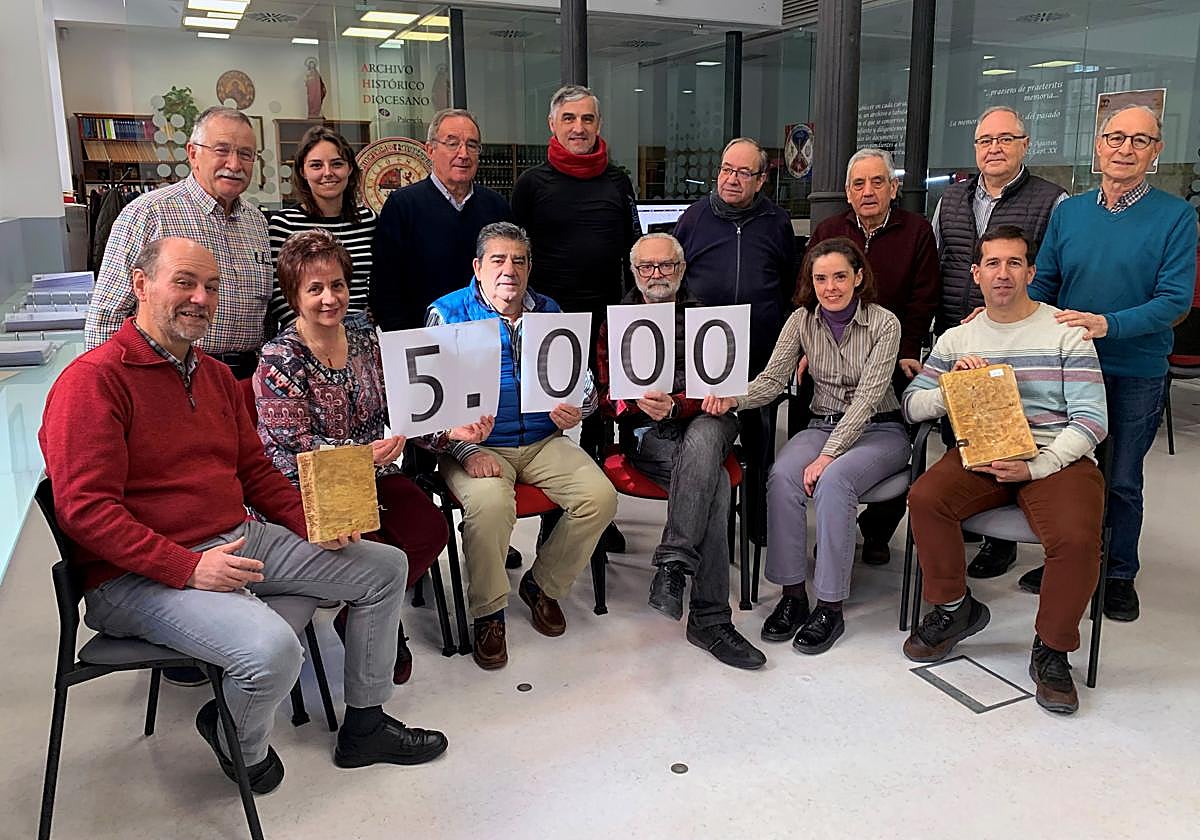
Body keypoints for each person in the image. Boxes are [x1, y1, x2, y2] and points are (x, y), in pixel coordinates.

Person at [40, 237, 448, 795]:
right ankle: (238, 736)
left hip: (234, 537)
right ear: (140, 286)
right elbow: (86, 513)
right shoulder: (93, 383)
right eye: (184, 282)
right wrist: (186, 567)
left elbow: (256, 475)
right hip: (134, 575)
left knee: (382, 567)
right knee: (273, 650)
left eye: (211, 286)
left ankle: (366, 726)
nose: (200, 298)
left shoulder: (211, 376)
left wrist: (312, 525)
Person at [254, 230, 487, 684]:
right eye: (315, 288)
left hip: (374, 473)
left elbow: (405, 409)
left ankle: (360, 612)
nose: (329, 298)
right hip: (312, 486)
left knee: (429, 532)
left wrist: (451, 431)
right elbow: (289, 447)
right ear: (293, 295)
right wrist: (357, 455)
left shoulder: (365, 343)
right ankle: (380, 622)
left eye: (337, 285)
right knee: (375, 552)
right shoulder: (279, 357)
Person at [901, 225, 1108, 715]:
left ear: (1030, 272)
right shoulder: (958, 337)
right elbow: (912, 405)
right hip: (982, 452)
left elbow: (1093, 420)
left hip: (1055, 454)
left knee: (1077, 539)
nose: (1003, 274)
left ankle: (1052, 650)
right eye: (992, 264)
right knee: (926, 499)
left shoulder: (1065, 332)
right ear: (975, 274)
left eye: (1014, 263)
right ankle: (955, 609)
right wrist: (955, 386)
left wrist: (1038, 466)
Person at [1024, 104, 1197, 621]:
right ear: (1098, 146)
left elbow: (1175, 301)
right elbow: (1045, 285)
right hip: (1070, 368)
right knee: (1070, 471)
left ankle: (1119, 572)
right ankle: (1073, 562)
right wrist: (999, 311)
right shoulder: (1070, 212)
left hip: (1135, 369)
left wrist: (1107, 324)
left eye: (1140, 141)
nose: (1125, 149)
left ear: (1156, 152)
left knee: (1121, 477)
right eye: (1115, 137)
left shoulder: (1176, 216)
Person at [704, 238, 910, 655]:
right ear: (810, 282)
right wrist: (733, 398)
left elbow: (869, 398)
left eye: (839, 276)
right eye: (820, 278)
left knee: (834, 481)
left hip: (879, 429)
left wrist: (828, 455)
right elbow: (772, 379)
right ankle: (793, 595)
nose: (830, 287)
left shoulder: (885, 323)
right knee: (782, 475)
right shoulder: (801, 321)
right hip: (822, 423)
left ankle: (830, 606)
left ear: (858, 277)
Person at [427, 222, 618, 671]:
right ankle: (489, 613)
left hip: (541, 439)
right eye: (497, 259)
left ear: (530, 267)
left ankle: (543, 586)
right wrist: (463, 449)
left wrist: (581, 408)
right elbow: (428, 409)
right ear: (477, 267)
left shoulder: (550, 311)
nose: (508, 269)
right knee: (491, 506)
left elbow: (584, 387)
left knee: (599, 497)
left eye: (518, 260)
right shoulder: (446, 314)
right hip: (477, 447)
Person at [596, 233, 765, 670]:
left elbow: (726, 385)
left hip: (707, 420)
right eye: (647, 267)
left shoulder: (710, 318)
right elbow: (604, 393)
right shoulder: (614, 325)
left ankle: (673, 566)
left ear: (682, 269)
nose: (657, 275)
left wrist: (679, 404)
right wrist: (632, 405)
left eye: (666, 266)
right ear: (634, 273)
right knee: (713, 486)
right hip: (650, 437)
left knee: (707, 435)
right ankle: (709, 619)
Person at [930, 105, 1068, 579]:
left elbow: (1049, 272)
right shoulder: (950, 199)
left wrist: (1005, 311)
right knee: (963, 438)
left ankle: (1000, 543)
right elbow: (940, 262)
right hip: (961, 337)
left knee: (1013, 435)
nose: (994, 148)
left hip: (1019, 338)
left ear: (1024, 145)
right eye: (986, 140)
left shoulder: (1053, 200)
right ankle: (969, 515)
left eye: (1005, 139)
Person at [807, 147, 940, 565]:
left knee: (895, 432)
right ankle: (833, 523)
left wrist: (906, 349)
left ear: (893, 188)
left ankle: (878, 530)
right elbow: (808, 286)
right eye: (859, 184)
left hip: (893, 351)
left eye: (877, 181)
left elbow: (925, 296)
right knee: (818, 424)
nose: (868, 191)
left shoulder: (916, 231)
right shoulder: (830, 228)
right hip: (834, 346)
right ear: (847, 192)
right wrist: (809, 344)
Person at [512, 84, 642, 509]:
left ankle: (600, 517)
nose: (578, 127)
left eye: (587, 119)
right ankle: (557, 513)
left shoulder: (618, 182)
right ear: (553, 125)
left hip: (607, 319)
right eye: (569, 118)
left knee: (602, 416)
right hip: (549, 320)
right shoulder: (532, 184)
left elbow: (633, 250)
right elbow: (514, 255)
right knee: (553, 415)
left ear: (598, 124)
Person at [673, 137, 799, 549]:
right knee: (709, 430)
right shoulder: (693, 218)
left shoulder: (777, 222)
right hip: (704, 356)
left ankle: (758, 517)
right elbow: (675, 279)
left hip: (762, 352)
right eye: (727, 169)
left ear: (761, 179)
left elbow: (789, 281)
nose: (732, 179)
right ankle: (710, 511)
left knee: (762, 437)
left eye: (744, 172)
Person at [85, 106, 273, 379]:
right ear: (193, 153)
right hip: (170, 376)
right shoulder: (149, 213)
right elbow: (107, 315)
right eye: (221, 150)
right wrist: (103, 387)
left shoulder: (256, 222)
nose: (234, 164)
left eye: (245, 154)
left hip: (246, 379)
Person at [371, 108, 513, 332]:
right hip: (423, 340)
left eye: (472, 145)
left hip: (488, 339)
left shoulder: (496, 206)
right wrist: (407, 342)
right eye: (452, 143)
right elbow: (385, 289)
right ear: (430, 149)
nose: (463, 154)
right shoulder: (402, 206)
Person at [266, 126, 376, 332]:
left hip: (361, 331)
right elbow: (279, 293)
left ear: (350, 169)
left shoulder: (368, 220)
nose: (328, 173)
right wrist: (311, 336)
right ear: (302, 171)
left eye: (337, 164)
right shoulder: (284, 223)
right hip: (306, 332)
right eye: (316, 165)